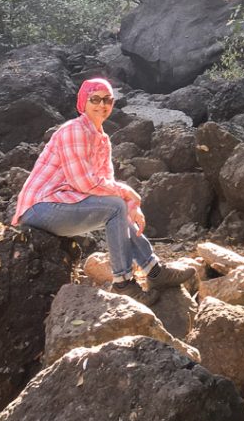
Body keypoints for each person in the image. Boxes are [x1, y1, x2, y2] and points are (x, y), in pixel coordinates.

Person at [12, 77, 195, 295]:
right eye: (95, 99)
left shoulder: (102, 139)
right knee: (115, 206)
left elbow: (106, 183)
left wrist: (130, 204)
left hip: (64, 204)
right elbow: (82, 182)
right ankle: (123, 284)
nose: (102, 105)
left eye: (107, 99)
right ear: (83, 103)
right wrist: (128, 193)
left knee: (118, 206)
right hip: (39, 209)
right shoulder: (73, 130)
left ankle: (155, 272)